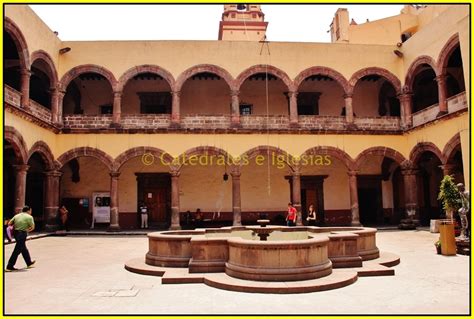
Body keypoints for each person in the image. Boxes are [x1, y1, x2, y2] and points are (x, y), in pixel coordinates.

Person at [6, 206, 36, 272]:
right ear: (28, 210)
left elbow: (9, 223)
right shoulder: (29, 217)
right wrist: (27, 230)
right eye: (30, 211)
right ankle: (9, 266)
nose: (31, 212)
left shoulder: (16, 216)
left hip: (16, 234)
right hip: (22, 234)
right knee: (17, 250)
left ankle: (29, 263)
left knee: (23, 248)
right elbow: (32, 227)